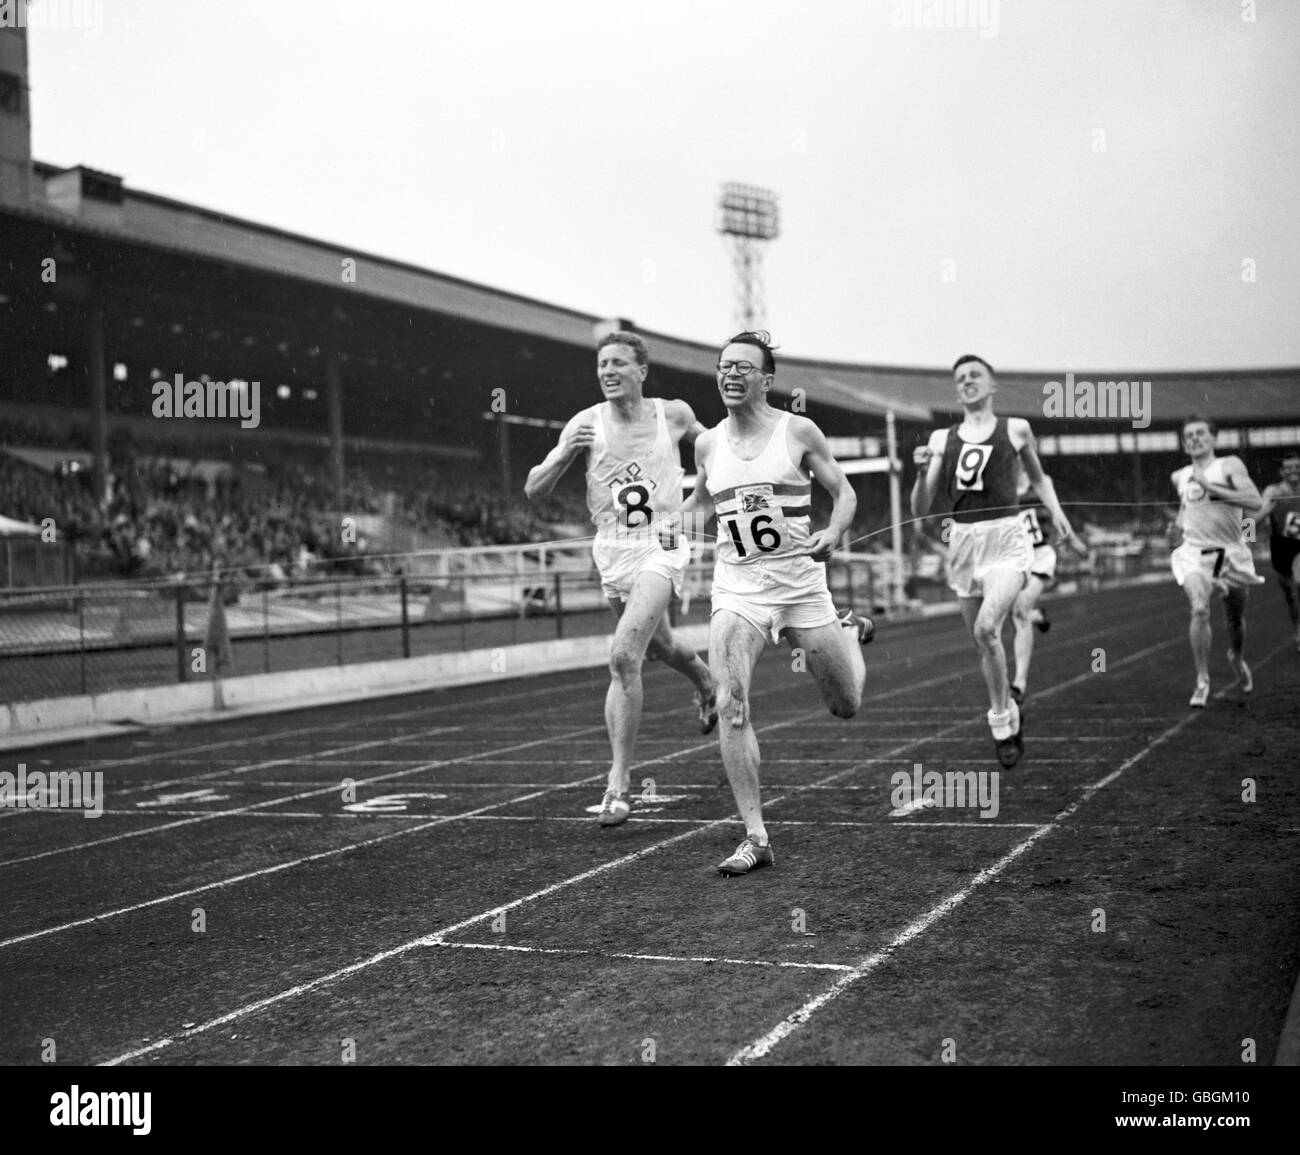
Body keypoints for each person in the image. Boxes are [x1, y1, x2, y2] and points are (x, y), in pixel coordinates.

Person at [680, 330, 874, 876]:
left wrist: (835, 530)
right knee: (731, 699)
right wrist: (675, 516)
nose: (731, 374)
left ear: (767, 379)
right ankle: (755, 836)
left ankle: (849, 633)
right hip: (738, 587)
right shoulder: (706, 444)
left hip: (801, 584)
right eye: (724, 366)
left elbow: (845, 492)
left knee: (846, 704)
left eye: (744, 367)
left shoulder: (797, 431)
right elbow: (699, 498)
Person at [524, 331, 717, 827]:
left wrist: (712, 492)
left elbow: (718, 447)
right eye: (601, 364)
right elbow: (533, 488)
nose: (607, 371)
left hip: (664, 541)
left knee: (623, 655)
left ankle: (618, 783)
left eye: (617, 363)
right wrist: (567, 454)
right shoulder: (586, 423)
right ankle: (706, 681)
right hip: (612, 549)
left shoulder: (671, 414)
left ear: (641, 371)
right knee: (659, 647)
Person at [911, 354, 1077, 767]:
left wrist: (1058, 514)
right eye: (961, 378)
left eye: (975, 376)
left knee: (989, 627)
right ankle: (1007, 709)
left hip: (1007, 539)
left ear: (991, 385)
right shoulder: (939, 440)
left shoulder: (1016, 429)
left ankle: (1001, 722)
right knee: (984, 642)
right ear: (956, 389)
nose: (968, 381)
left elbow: (1039, 478)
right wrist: (919, 474)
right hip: (965, 545)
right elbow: (921, 507)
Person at [1168, 415, 1264, 706]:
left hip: (1232, 553)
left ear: (1213, 438)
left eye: (1200, 433)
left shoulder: (1229, 465)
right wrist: (1175, 527)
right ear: (1185, 444)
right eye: (1189, 436)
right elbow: (1188, 508)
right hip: (1195, 552)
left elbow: (1254, 501)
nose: (1195, 439)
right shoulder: (1179, 476)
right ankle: (1202, 680)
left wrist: (1211, 487)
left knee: (1235, 618)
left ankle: (1236, 655)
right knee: (1199, 609)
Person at [1009, 464, 1088, 705]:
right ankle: (1036, 615)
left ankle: (1019, 683)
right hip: (1012, 558)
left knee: (1019, 609)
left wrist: (1073, 540)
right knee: (1008, 609)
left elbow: (1056, 512)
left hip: (1040, 555)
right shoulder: (1000, 486)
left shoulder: (1042, 481)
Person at [1256, 451, 1300, 652]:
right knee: (1290, 593)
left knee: (1299, 582)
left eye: (1297, 467)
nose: (1294, 471)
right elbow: (1255, 517)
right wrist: (1243, 537)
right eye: (1289, 467)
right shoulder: (1273, 491)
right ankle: (1297, 628)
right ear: (1282, 471)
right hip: (1281, 546)